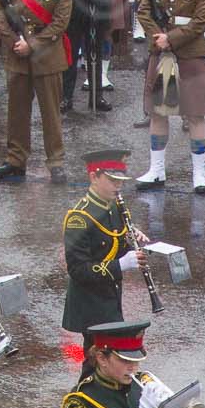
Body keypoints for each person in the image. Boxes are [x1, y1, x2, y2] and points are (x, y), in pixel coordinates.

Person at [135, 0, 205, 191]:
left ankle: (199, 173)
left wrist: (170, 38)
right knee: (159, 111)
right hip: (162, 53)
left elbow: (202, 21)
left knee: (194, 114)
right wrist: (158, 36)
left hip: (190, 53)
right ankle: (157, 169)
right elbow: (144, 11)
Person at [0, 0, 73, 184]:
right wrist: (15, 41)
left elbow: (60, 22)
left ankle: (56, 161)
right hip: (17, 55)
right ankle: (16, 159)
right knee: (17, 112)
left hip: (47, 55)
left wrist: (32, 44)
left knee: (50, 113)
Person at [61, 151, 136, 354]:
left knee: (110, 358)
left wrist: (135, 249)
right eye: (112, 180)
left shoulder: (114, 207)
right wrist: (121, 265)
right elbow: (78, 269)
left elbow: (117, 244)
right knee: (99, 359)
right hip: (90, 304)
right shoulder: (80, 218)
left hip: (110, 297)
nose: (118, 186)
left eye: (120, 181)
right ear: (94, 177)